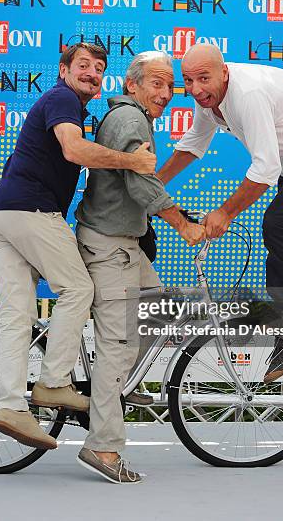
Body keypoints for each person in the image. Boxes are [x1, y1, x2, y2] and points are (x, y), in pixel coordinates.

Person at [157, 43, 283, 384]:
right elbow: (194, 143)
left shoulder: (247, 93)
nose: (195, 90)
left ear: (224, 73)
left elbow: (265, 169)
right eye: (188, 81)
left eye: (203, 79)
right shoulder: (208, 101)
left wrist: (224, 212)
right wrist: (156, 183)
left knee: (279, 223)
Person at [0, 43, 157, 450]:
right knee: (79, 289)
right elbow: (73, 149)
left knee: (16, 316)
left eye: (99, 69)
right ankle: (54, 383)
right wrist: (133, 161)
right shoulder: (61, 98)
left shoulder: (63, 103)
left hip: (1, 215)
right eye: (83, 65)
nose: (92, 73)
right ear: (64, 70)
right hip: (31, 210)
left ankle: (9, 406)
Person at [75, 51, 206, 483]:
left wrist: (172, 211)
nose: (166, 93)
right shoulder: (131, 120)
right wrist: (183, 224)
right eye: (157, 83)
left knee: (159, 312)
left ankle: (108, 394)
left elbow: (138, 184)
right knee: (119, 346)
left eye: (170, 86)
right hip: (111, 249)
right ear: (133, 85)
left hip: (126, 244)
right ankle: (103, 447)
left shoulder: (129, 116)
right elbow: (139, 179)